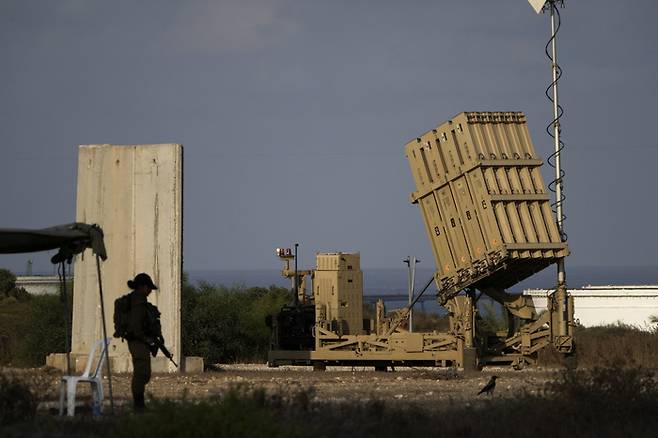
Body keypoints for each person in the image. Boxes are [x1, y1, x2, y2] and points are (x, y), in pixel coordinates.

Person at [125, 272, 160, 411]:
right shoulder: (138, 303)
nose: (150, 291)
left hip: (139, 340)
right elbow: (137, 327)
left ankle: (139, 404)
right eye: (149, 288)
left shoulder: (138, 301)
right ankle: (138, 405)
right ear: (143, 287)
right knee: (141, 373)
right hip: (138, 341)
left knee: (143, 372)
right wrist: (148, 340)